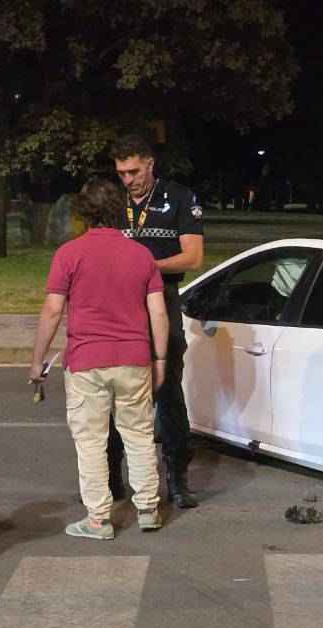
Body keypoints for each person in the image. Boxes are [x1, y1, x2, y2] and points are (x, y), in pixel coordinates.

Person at [32, 177, 170, 539]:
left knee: (91, 440)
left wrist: (37, 360)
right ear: (119, 211)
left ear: (84, 212)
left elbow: (52, 311)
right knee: (138, 434)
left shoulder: (69, 254)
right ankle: (148, 508)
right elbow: (158, 312)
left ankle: (98, 519)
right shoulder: (141, 255)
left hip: (87, 360)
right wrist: (160, 359)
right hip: (134, 357)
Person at [107, 135, 204, 509]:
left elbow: (193, 257)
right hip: (119, 305)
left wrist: (145, 267)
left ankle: (177, 478)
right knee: (115, 390)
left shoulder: (178, 197)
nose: (128, 180)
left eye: (134, 171)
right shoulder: (112, 202)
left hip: (162, 298)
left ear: (150, 164)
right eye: (121, 173)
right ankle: (112, 476)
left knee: (167, 391)